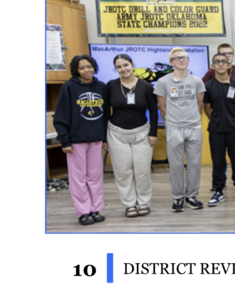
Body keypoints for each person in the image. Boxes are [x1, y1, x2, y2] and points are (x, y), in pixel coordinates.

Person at [53, 55, 107, 226]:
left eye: (89, 66)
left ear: (94, 67)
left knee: (95, 177)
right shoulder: (69, 86)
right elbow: (61, 116)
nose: (87, 70)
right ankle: (83, 211)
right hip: (75, 142)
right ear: (76, 70)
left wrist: (104, 137)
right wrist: (65, 142)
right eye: (82, 68)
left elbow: (105, 115)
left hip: (96, 140)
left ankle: (95, 208)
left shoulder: (101, 87)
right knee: (78, 178)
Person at [105, 53, 158, 217]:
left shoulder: (146, 87)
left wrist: (153, 133)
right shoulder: (111, 85)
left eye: (125, 65)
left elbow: (153, 111)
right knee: (122, 172)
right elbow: (106, 111)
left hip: (142, 133)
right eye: (119, 67)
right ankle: (129, 204)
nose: (123, 69)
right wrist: (102, 137)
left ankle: (143, 203)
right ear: (116, 69)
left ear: (132, 64)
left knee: (142, 171)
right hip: (116, 133)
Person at [154, 47, 206, 212]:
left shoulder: (197, 81)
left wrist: (190, 119)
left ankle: (192, 196)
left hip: (194, 127)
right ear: (171, 62)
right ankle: (177, 198)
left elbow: (199, 105)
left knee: (194, 164)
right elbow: (162, 108)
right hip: (174, 128)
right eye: (177, 58)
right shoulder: (163, 82)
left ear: (188, 60)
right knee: (176, 165)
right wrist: (174, 121)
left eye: (184, 57)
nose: (181, 60)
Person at [203, 52, 235, 206]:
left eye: (224, 61)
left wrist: (231, 120)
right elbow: (208, 109)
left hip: (234, 129)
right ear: (212, 66)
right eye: (217, 62)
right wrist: (218, 121)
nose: (221, 64)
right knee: (218, 161)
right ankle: (218, 191)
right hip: (216, 130)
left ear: (229, 64)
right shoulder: (208, 86)